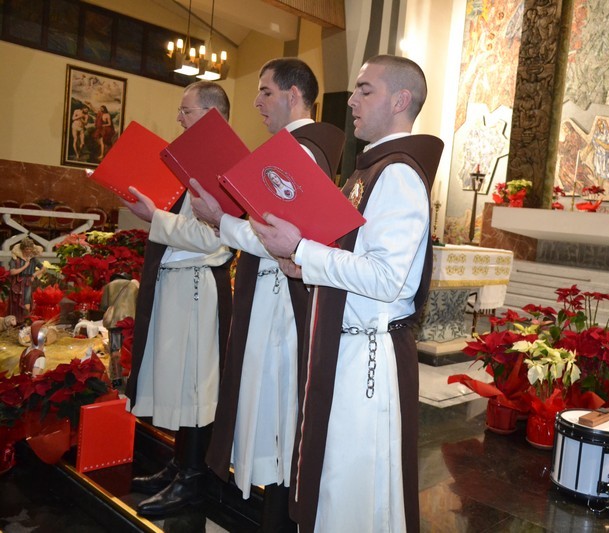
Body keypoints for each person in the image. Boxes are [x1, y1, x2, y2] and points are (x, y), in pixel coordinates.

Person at [251, 54, 444, 533]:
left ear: (400, 100)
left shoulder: (398, 175)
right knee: (337, 482)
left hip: (369, 357)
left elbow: (386, 278)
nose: (352, 100)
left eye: (365, 90)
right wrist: (302, 264)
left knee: (355, 486)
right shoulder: (371, 169)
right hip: (348, 348)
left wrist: (303, 250)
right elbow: (349, 258)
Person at [194, 58, 344, 532]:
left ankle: (278, 519)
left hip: (283, 307)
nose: (256, 102)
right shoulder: (295, 149)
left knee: (280, 418)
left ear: (293, 95)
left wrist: (221, 220)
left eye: (265, 91)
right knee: (273, 418)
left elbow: (277, 238)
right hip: (273, 299)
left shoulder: (303, 153)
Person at [122, 81, 233, 518]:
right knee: (178, 380)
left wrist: (156, 217)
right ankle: (178, 464)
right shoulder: (189, 161)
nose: (178, 118)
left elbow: (214, 238)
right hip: (176, 283)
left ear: (210, 115)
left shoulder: (223, 163)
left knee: (195, 385)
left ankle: (193, 477)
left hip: (198, 288)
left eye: (186, 111)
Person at [8, 237, 45, 322]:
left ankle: (26, 320)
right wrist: (24, 266)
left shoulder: (33, 259)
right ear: (22, 249)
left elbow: (43, 268)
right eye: (26, 249)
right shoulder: (16, 259)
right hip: (17, 282)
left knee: (27, 301)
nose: (28, 251)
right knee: (16, 301)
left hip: (28, 282)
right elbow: (12, 272)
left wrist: (34, 275)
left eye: (30, 249)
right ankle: (17, 320)